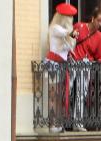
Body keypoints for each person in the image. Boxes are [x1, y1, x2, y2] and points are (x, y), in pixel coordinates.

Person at [43, 3, 79, 131]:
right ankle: (53, 124)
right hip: (53, 64)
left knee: (60, 96)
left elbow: (69, 40)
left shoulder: (65, 33)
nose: (71, 21)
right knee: (54, 95)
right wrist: (74, 32)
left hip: (62, 66)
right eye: (69, 18)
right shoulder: (55, 28)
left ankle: (58, 122)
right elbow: (66, 33)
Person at [69, 11, 101, 130]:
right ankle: (62, 121)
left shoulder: (99, 37)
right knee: (68, 90)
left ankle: (78, 122)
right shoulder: (79, 26)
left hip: (86, 65)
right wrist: (71, 34)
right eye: (98, 20)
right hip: (73, 61)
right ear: (92, 18)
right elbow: (68, 40)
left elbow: (100, 54)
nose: (100, 24)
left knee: (82, 93)